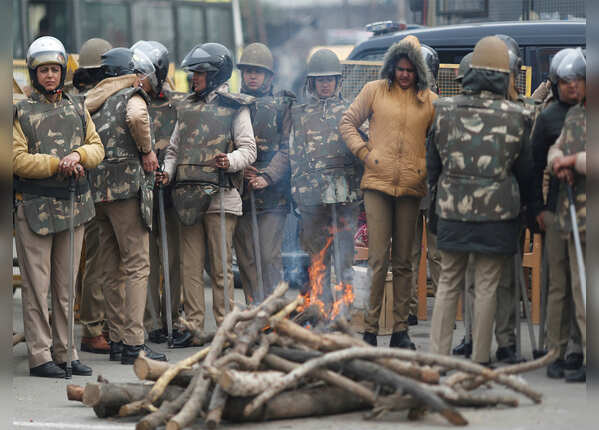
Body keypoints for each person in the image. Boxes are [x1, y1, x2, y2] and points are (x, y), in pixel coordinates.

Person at [427, 36, 533, 366]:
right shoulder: (517, 115)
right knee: (487, 285)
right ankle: (481, 358)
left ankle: (438, 358)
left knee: (448, 284)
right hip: (497, 215)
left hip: (452, 211)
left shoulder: (442, 111)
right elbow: (526, 171)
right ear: (505, 74)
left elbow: (433, 167)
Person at [13, 36, 104, 377]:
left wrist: (79, 155)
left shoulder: (78, 107)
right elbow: (15, 159)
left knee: (66, 287)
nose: (49, 76)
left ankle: (66, 352)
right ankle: (40, 356)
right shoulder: (19, 111)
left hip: (74, 205)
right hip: (34, 208)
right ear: (34, 74)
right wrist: (56, 163)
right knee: (37, 288)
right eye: (43, 70)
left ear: (63, 70)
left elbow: (97, 146)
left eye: (54, 69)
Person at [340, 35, 437, 348]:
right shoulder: (374, 90)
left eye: (410, 69)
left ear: (418, 70)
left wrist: (427, 167)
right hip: (377, 186)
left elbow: (440, 139)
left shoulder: (430, 100)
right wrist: (366, 154)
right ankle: (370, 330)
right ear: (391, 67)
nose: (404, 74)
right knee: (378, 259)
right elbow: (347, 123)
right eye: (399, 68)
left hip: (411, 187)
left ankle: (400, 331)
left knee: (406, 262)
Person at [159, 43, 256, 348]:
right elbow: (174, 150)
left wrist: (230, 161)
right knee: (189, 266)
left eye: (199, 73)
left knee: (221, 268)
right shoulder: (185, 107)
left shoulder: (234, 107)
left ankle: (226, 328)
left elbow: (249, 149)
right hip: (186, 197)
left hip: (221, 198)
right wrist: (167, 171)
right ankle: (193, 327)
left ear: (215, 74)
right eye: (194, 74)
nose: (194, 78)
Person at [85, 47, 166, 364]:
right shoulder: (131, 96)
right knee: (136, 266)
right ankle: (134, 343)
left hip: (99, 192)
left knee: (111, 268)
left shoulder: (97, 101)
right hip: (126, 190)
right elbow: (135, 117)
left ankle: (117, 339)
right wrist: (147, 150)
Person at [289, 48, 361, 314]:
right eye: (320, 80)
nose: (325, 84)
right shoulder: (300, 114)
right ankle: (321, 311)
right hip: (312, 199)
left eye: (330, 79)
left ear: (338, 81)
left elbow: (361, 151)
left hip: (346, 197)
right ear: (311, 83)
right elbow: (295, 156)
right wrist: (297, 195)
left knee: (344, 260)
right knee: (318, 259)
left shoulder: (352, 110)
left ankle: (343, 313)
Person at [131, 40, 186, 344]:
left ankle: (172, 318)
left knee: (173, 259)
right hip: (143, 192)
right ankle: (151, 321)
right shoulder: (134, 100)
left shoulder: (178, 103)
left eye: (145, 71)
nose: (140, 77)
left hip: (173, 191)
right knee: (148, 259)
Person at [233, 42, 295, 304]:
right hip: (240, 194)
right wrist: (238, 166)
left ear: (270, 76)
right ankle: (253, 311)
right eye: (247, 71)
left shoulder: (283, 105)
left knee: (269, 257)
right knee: (246, 259)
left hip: (272, 197)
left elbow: (288, 148)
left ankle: (272, 310)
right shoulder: (232, 104)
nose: (252, 76)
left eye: (258, 72)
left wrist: (267, 176)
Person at [545, 48, 587, 382]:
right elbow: (556, 147)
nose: (572, 86)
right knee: (579, 290)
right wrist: (558, 161)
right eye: (566, 81)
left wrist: (576, 162)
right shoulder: (573, 116)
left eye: (578, 80)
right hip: (576, 218)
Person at [72, 37, 114, 355]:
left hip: (95, 191)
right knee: (96, 262)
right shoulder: (88, 101)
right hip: (92, 192)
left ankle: (96, 324)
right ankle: (91, 329)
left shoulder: (78, 99)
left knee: (93, 262)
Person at [408, 43, 442, 326]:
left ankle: (444, 310)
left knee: (438, 253)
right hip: (408, 184)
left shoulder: (441, 106)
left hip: (436, 187)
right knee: (407, 252)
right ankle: (408, 309)